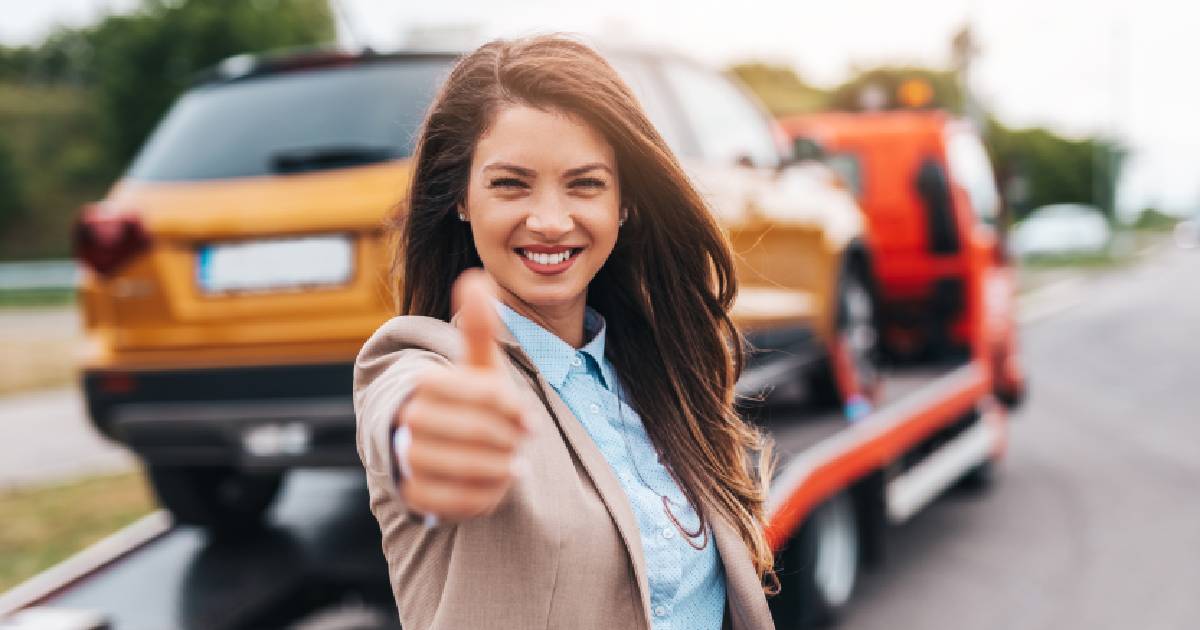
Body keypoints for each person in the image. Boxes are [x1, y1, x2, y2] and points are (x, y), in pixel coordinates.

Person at [353, 34, 776, 630]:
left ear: (625, 203)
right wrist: (431, 444)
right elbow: (406, 421)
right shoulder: (424, 363)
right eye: (510, 185)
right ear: (461, 199)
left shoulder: (654, 372)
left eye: (585, 184)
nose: (551, 221)